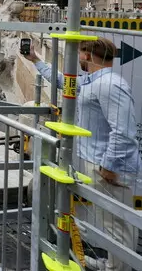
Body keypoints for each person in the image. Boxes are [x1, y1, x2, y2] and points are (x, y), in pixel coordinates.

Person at [26, 38, 140, 271]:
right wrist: (35, 60)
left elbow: (124, 132)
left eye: (80, 53)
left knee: (117, 226)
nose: (77, 58)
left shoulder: (110, 85)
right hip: (101, 165)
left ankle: (118, 268)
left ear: (88, 55)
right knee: (110, 222)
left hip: (109, 169)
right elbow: (62, 81)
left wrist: (108, 167)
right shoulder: (93, 81)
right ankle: (112, 264)